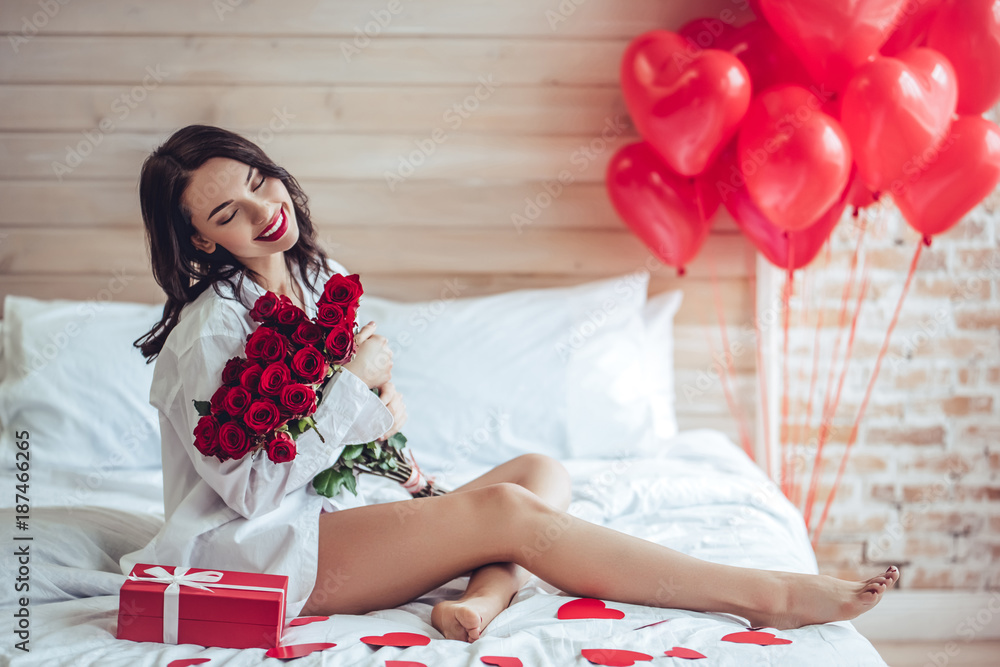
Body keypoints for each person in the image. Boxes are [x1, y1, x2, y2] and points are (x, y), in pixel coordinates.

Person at [129, 124, 898, 644]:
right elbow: (255, 491)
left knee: (540, 471)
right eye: (233, 211)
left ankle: (484, 596)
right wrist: (353, 390)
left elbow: (343, 426)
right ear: (202, 237)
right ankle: (769, 594)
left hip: (343, 510)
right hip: (266, 546)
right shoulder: (214, 331)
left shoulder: (314, 275)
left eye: (264, 182)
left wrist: (381, 417)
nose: (267, 211)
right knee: (505, 508)